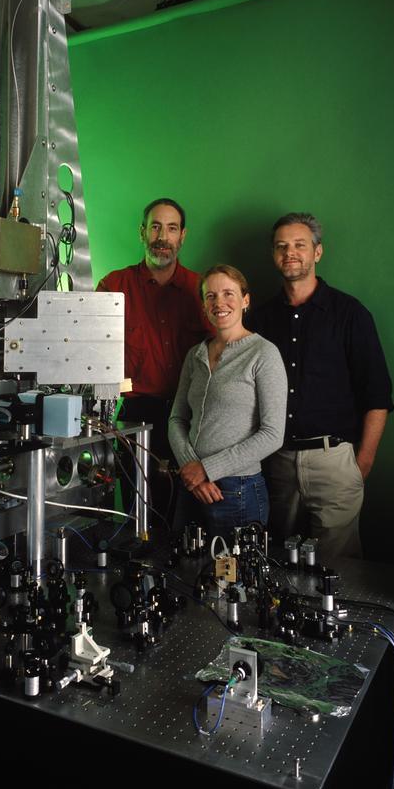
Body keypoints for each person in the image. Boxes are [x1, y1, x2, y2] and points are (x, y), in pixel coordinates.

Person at [249, 212, 394, 563]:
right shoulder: (259, 320)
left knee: (337, 571)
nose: (290, 252)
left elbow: (377, 395)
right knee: (278, 563)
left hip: (335, 463)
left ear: (317, 252)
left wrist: (362, 464)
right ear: (273, 255)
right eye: (282, 246)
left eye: (300, 244)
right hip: (277, 463)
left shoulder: (350, 314)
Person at [97, 198, 210, 522]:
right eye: (156, 226)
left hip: (190, 417)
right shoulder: (114, 286)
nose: (163, 236)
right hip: (135, 414)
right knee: (138, 517)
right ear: (142, 232)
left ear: (182, 236)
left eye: (171, 228)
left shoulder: (200, 289)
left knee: (188, 517)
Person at [168, 265, 287, 536]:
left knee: (235, 577)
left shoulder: (264, 354)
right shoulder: (194, 355)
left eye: (228, 294)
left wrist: (207, 469)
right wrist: (192, 470)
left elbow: (273, 434)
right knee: (183, 572)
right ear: (203, 305)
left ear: (246, 300)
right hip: (191, 488)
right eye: (210, 296)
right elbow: (177, 418)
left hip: (238, 492)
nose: (219, 302)